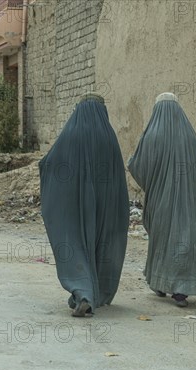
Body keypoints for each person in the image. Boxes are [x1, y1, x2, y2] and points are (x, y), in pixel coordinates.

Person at [39, 93, 129, 317]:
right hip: (105, 204)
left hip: (73, 203)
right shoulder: (109, 137)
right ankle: (97, 291)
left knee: (74, 240)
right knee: (102, 242)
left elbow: (50, 163)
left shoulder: (72, 133)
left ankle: (82, 291)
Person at [128, 92, 196, 307]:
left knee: (163, 240)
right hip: (191, 202)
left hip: (162, 200)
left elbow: (137, 166)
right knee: (185, 240)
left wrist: (155, 183)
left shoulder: (153, 135)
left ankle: (160, 281)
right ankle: (181, 290)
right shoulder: (190, 136)